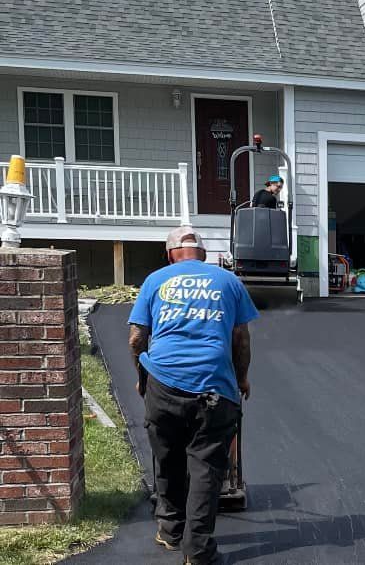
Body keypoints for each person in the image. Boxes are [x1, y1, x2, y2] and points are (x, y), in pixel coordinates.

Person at [128, 225, 258, 565]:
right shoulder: (229, 282)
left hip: (164, 383)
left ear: (171, 255)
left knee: (168, 456)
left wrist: (143, 377)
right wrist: (241, 378)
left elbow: (136, 338)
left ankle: (170, 532)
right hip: (214, 388)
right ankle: (198, 552)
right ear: (203, 254)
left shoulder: (155, 280)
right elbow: (240, 338)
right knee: (206, 467)